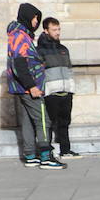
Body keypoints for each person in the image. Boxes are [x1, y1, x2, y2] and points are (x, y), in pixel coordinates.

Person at [5, 2, 65, 169]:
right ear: (28, 17)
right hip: (28, 86)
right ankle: (46, 156)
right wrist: (31, 86)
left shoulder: (22, 34)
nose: (36, 23)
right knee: (43, 119)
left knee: (28, 120)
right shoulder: (19, 35)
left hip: (24, 86)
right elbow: (19, 64)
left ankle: (30, 154)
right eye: (35, 19)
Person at [37, 17, 80, 159]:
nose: (57, 32)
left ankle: (65, 150)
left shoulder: (63, 49)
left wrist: (71, 88)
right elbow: (38, 72)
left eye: (58, 29)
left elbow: (69, 69)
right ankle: (47, 152)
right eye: (54, 29)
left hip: (66, 90)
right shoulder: (40, 50)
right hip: (50, 92)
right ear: (45, 30)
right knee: (49, 123)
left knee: (65, 121)